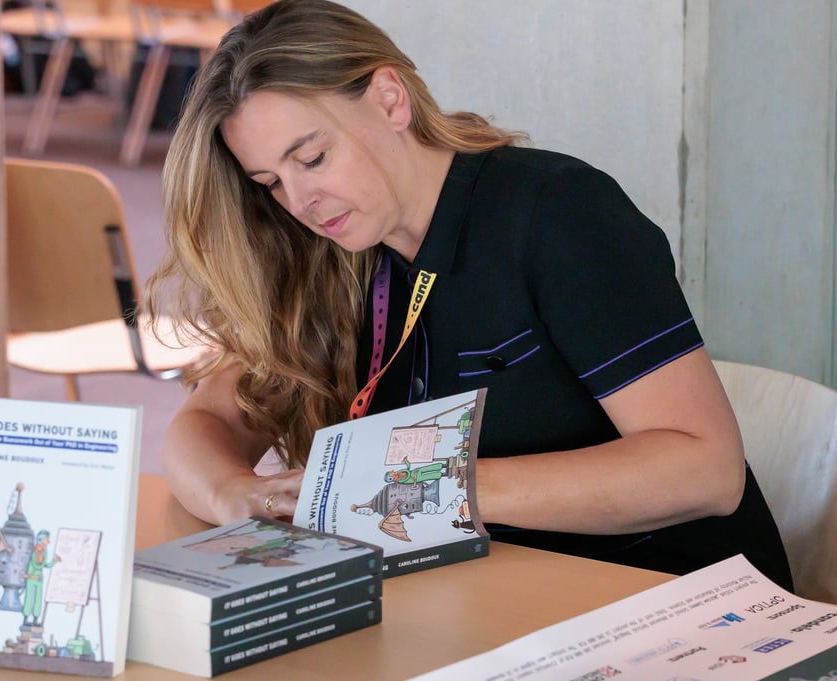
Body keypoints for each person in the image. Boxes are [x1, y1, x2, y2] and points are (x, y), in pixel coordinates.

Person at [143, 0, 792, 587]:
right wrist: (236, 496)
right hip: (492, 600)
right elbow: (205, 423)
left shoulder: (558, 213)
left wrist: (433, 486)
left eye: (311, 158)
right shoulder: (326, 260)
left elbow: (706, 470)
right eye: (270, 181)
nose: (300, 201)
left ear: (390, 99)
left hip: (677, 603)